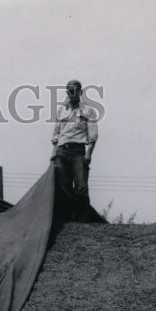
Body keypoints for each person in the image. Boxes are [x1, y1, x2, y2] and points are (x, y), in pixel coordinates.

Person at [50, 79, 99, 222]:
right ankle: (69, 223)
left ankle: (82, 223)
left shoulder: (88, 111)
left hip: (78, 152)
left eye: (74, 91)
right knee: (64, 187)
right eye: (69, 91)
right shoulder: (61, 110)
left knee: (81, 187)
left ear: (80, 92)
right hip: (61, 152)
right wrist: (53, 154)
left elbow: (93, 135)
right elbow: (56, 134)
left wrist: (89, 154)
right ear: (67, 92)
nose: (71, 94)